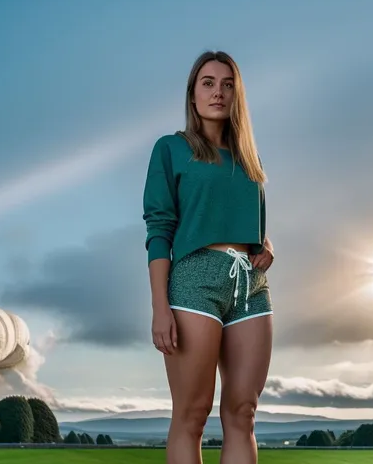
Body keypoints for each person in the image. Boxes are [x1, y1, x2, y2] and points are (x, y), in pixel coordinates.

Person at [142, 50, 275, 464]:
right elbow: (159, 229)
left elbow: (250, 221)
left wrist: (265, 245)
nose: (218, 92)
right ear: (193, 93)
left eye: (228, 84)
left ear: (238, 95)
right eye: (208, 82)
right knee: (192, 414)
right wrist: (159, 306)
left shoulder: (249, 160)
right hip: (193, 280)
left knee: (243, 413)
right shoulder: (171, 149)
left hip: (250, 285)